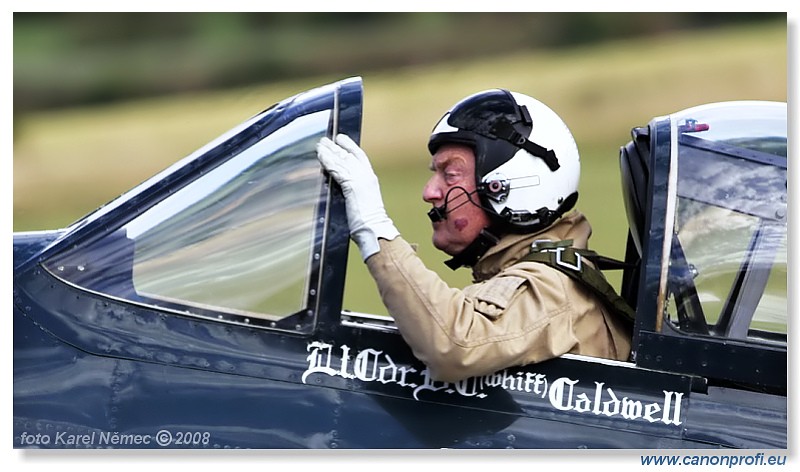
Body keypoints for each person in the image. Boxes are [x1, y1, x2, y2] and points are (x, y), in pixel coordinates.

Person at [316, 88, 632, 382]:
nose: (430, 192)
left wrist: (373, 226)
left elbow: (455, 345)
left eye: (450, 175)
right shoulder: (550, 272)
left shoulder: (550, 287)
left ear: (507, 187)